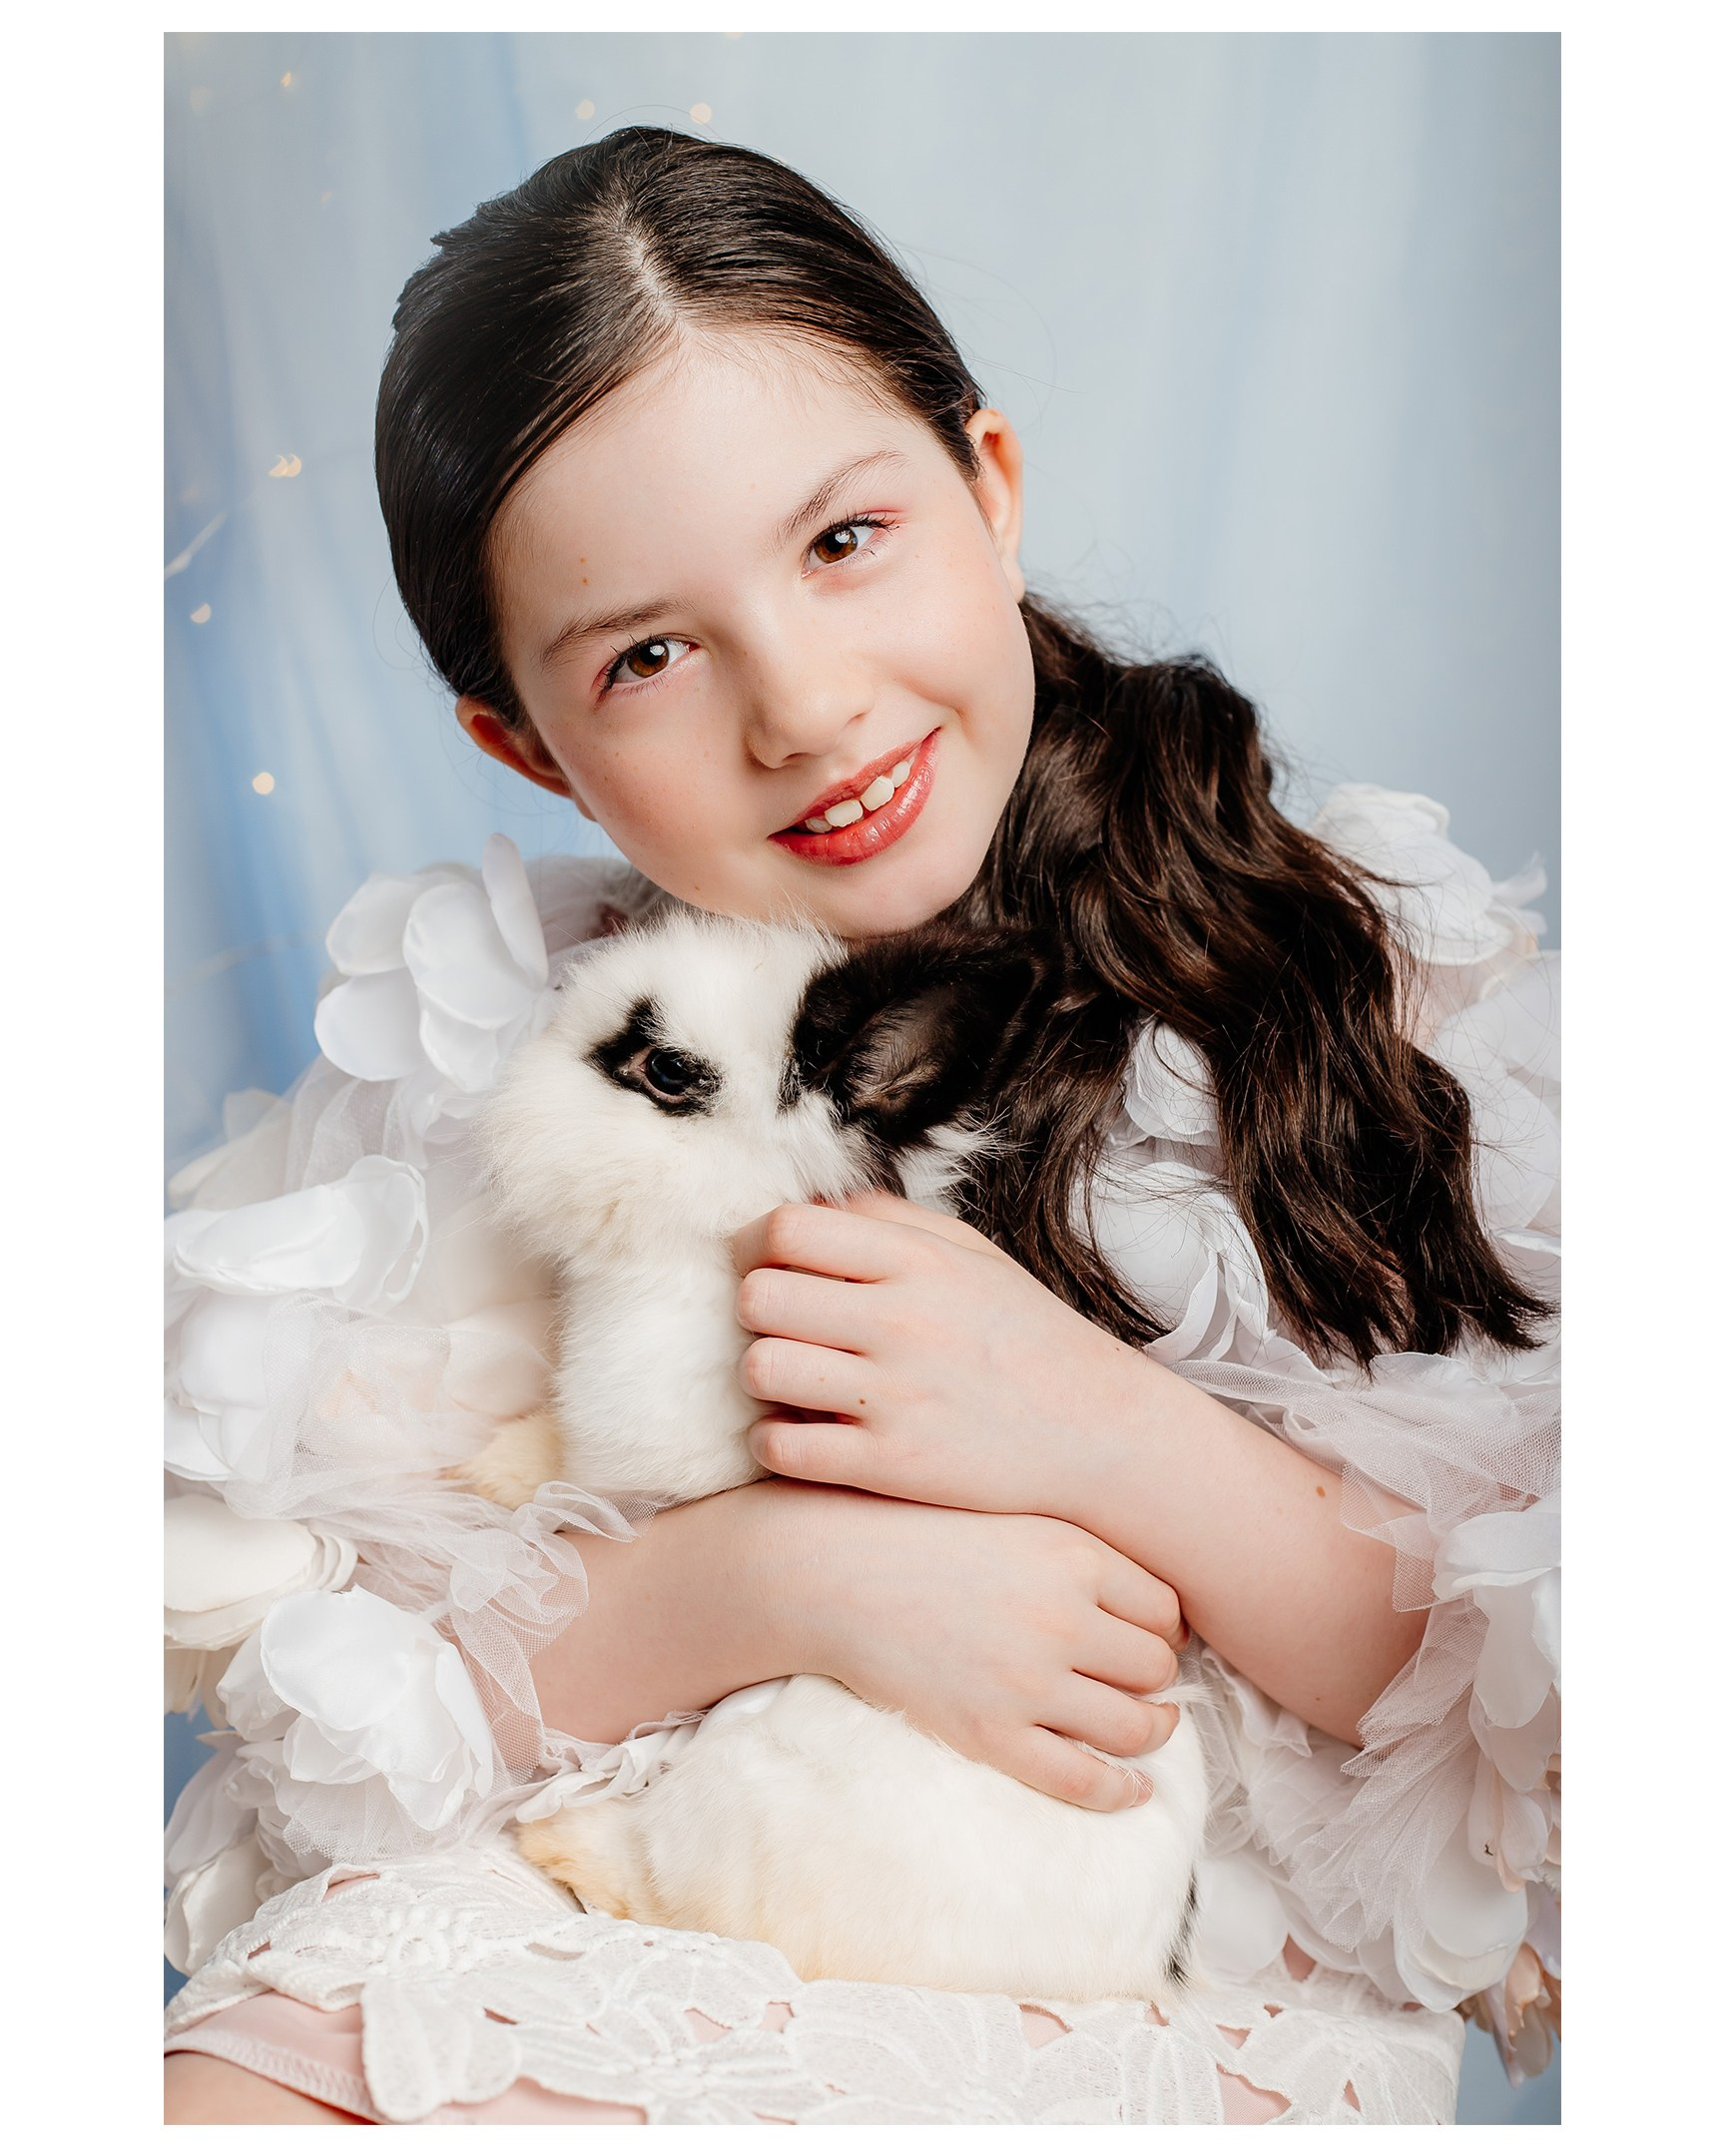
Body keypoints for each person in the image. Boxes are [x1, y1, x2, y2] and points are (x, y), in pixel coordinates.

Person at [163, 128, 1559, 2125]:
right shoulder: (517, 1042)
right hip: (608, 1881)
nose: (804, 707)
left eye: (843, 542)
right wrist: (779, 1581)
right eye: (647, 655)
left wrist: (1092, 1425)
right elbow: (342, 1709)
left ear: (987, 487)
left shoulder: (1370, 985)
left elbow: (1546, 1717)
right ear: (526, 748)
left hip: (1166, 1980)